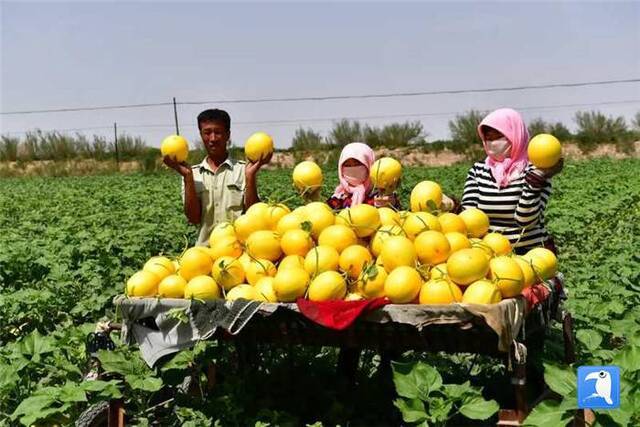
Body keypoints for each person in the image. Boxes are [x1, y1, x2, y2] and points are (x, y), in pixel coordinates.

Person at [461, 108, 563, 254]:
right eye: (488, 138)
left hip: (531, 253)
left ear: (516, 135)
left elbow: (525, 221)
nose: (492, 143)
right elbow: (468, 217)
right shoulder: (478, 171)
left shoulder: (537, 171)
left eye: (499, 136)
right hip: (491, 254)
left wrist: (536, 180)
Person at [164, 109, 271, 246]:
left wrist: (250, 177)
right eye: (207, 133)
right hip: (204, 254)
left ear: (228, 135)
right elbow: (194, 218)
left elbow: (254, 216)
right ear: (201, 135)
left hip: (237, 252)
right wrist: (187, 178)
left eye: (218, 132)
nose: (213, 139)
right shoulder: (193, 174)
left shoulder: (243, 170)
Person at [326, 142, 401, 210]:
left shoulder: (380, 193)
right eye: (347, 165)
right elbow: (326, 214)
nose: (353, 169)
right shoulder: (339, 196)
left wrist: (387, 203)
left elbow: (396, 215)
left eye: (357, 164)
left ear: (369, 164)